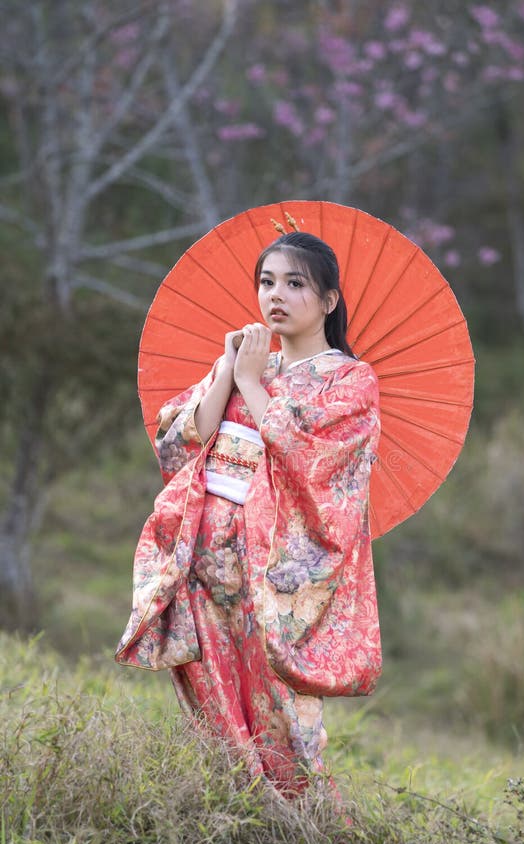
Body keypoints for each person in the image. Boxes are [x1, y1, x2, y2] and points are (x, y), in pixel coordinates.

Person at [116, 230, 382, 794]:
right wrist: (228, 368)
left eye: (294, 284)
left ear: (329, 301)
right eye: (266, 282)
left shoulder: (350, 380)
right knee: (212, 698)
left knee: (280, 713)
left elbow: (309, 462)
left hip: (274, 575)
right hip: (202, 559)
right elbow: (177, 445)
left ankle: (305, 832)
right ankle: (229, 817)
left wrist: (247, 381)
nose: (275, 296)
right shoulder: (245, 357)